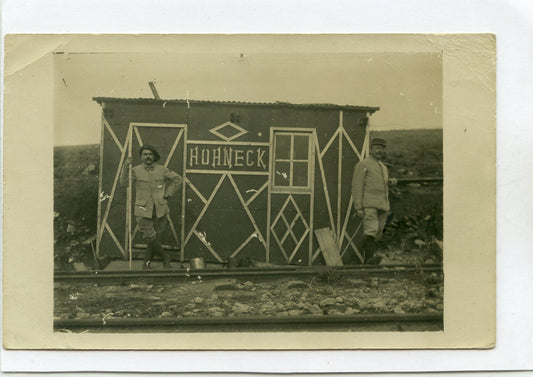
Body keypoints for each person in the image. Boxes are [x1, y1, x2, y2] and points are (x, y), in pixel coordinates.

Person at [120, 145, 183, 269]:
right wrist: (125, 166)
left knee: (154, 239)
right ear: (141, 157)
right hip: (143, 210)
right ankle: (165, 257)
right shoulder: (135, 170)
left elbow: (179, 180)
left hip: (160, 210)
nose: (147, 156)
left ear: (154, 156)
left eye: (150, 154)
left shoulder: (162, 170)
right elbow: (123, 183)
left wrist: (168, 194)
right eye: (145, 154)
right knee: (150, 236)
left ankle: (146, 264)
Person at [351, 137, 392, 265]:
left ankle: (368, 260)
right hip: (369, 205)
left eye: (382, 148)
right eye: (377, 148)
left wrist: (390, 183)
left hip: (383, 206)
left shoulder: (383, 168)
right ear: (371, 149)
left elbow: (382, 185)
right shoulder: (363, 165)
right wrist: (358, 207)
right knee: (371, 231)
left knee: (377, 234)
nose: (380, 150)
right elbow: (357, 186)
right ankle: (361, 259)